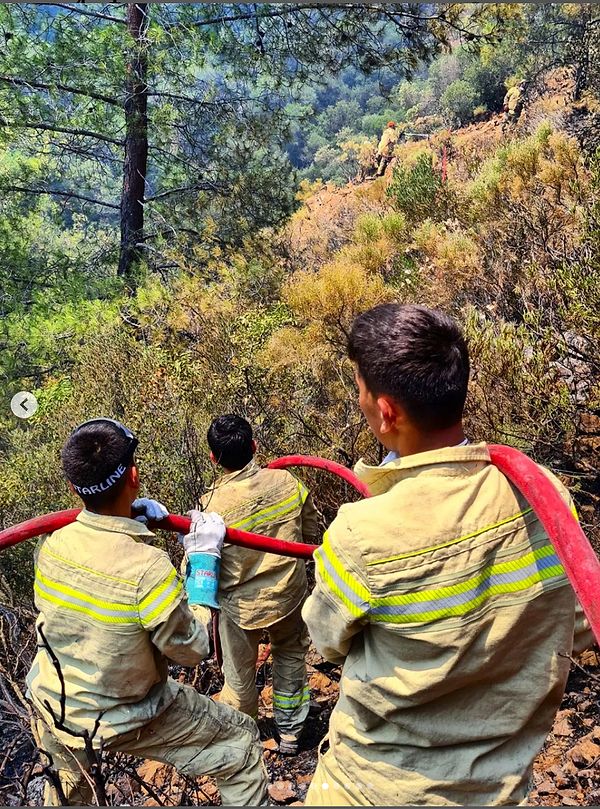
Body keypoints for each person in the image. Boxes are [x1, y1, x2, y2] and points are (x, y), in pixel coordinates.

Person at [302, 304, 592, 806]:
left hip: (375, 787)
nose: (359, 400)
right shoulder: (542, 492)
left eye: (360, 389)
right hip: (499, 787)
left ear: (386, 411)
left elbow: (328, 642)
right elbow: (575, 621)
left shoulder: (360, 534)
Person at [27, 418, 267, 806]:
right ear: (134, 476)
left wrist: (125, 520)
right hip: (127, 712)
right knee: (239, 742)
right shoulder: (147, 569)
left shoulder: (52, 545)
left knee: (69, 790)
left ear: (74, 488)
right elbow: (193, 649)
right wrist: (203, 563)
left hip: (54, 701)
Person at [193, 414, 319, 755]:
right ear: (253, 446)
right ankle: (291, 733)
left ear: (213, 458)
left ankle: (245, 738)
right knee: (290, 656)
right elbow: (311, 533)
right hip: (288, 596)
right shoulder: (287, 483)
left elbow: (200, 565)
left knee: (238, 676)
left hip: (240, 608)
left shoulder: (210, 507)